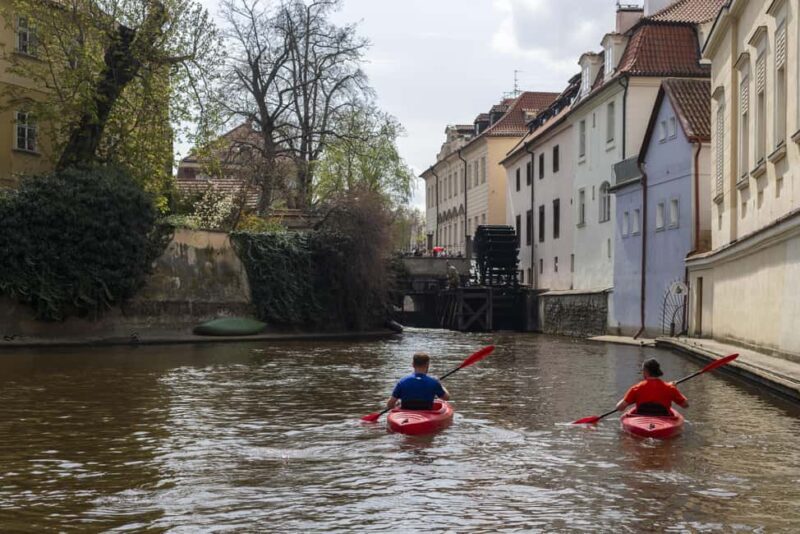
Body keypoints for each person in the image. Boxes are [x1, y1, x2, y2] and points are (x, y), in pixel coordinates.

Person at [616, 358, 689, 416]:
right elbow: (685, 405)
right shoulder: (670, 388)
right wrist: (674, 388)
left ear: (646, 371)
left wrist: (630, 398)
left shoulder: (636, 388)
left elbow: (619, 408)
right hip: (663, 420)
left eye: (643, 370)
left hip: (642, 419)